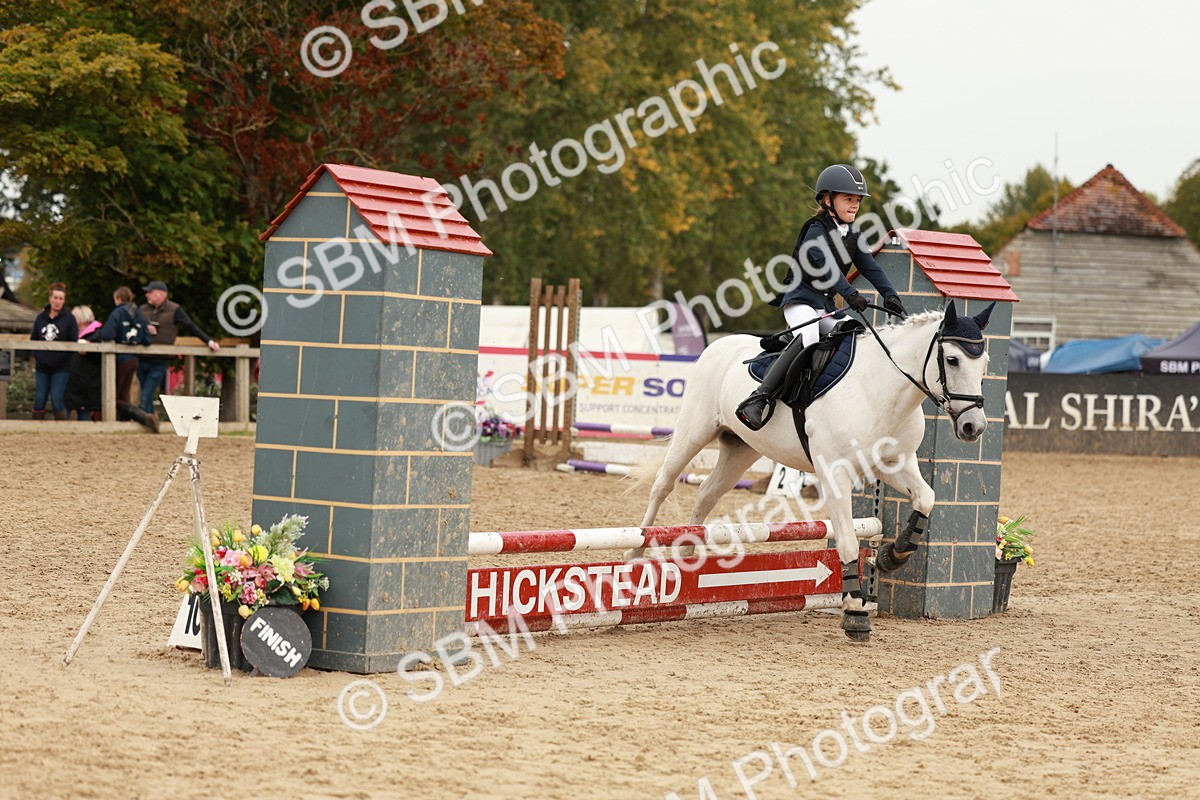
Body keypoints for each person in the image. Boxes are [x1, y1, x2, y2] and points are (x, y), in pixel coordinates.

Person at [736, 164, 908, 431]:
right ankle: (759, 398)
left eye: (857, 201)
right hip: (801, 301)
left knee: (856, 334)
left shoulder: (853, 234)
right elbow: (826, 267)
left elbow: (871, 267)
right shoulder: (815, 230)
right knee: (809, 337)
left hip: (824, 308)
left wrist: (891, 295)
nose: (854, 206)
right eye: (848, 199)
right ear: (828, 200)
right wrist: (851, 295)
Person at [138, 280, 220, 415]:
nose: (147, 295)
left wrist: (208, 341)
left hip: (160, 360)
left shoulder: (174, 309)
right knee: (146, 394)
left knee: (146, 394)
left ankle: (145, 419)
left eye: (150, 292)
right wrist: (143, 329)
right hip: (142, 358)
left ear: (160, 294)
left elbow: (191, 326)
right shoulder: (142, 309)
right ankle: (149, 421)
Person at [29, 282, 80, 420]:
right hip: (42, 366)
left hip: (61, 367)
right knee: (39, 399)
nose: (57, 302)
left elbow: (74, 342)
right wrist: (38, 356)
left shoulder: (69, 319)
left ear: (64, 301)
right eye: (55, 298)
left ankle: (60, 431)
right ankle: (35, 430)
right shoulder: (40, 318)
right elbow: (34, 339)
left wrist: (64, 358)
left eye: (61, 299)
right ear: (50, 298)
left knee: (57, 399)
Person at [99, 286, 152, 411]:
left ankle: (135, 415)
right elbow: (148, 340)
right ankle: (125, 422)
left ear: (118, 299)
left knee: (113, 394)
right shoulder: (139, 313)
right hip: (134, 360)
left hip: (120, 359)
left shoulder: (117, 313)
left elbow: (107, 334)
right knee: (125, 392)